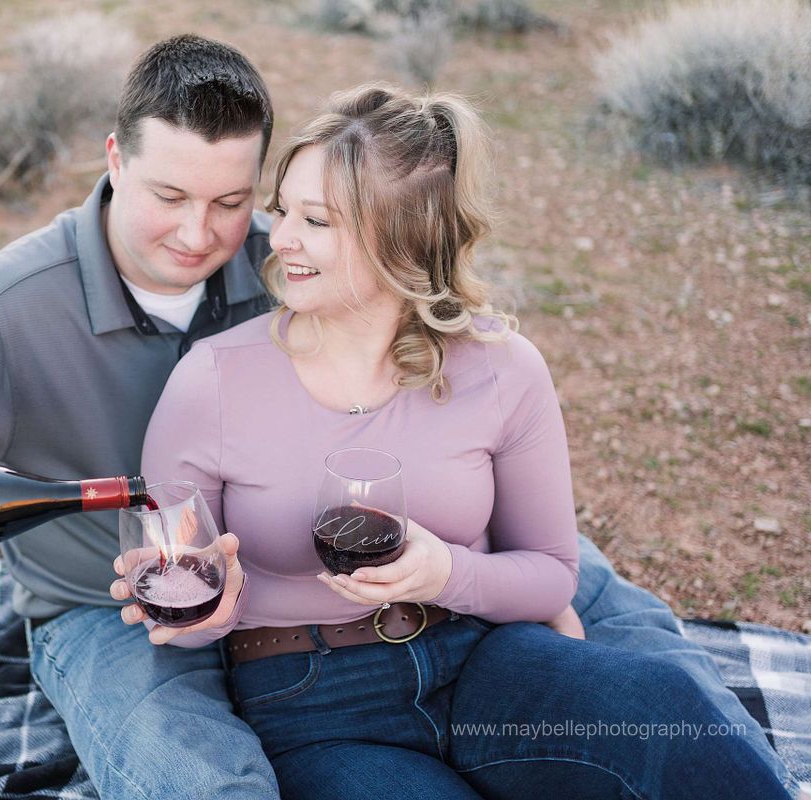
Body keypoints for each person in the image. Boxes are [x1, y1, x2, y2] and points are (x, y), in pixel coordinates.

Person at [0, 35, 795, 799]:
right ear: (114, 157)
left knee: (635, 642)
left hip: (396, 569)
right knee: (201, 777)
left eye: (233, 203)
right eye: (170, 194)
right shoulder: (7, 306)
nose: (202, 233)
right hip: (122, 595)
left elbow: (409, 291)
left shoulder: (290, 253)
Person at [126, 83, 793, 798]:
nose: (278, 236)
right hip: (314, 700)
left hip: (485, 662)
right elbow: (180, 596)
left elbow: (552, 573)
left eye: (314, 220)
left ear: (402, 236)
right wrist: (206, 612)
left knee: (668, 710)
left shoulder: (501, 368)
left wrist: (446, 573)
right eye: (281, 209)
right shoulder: (214, 381)